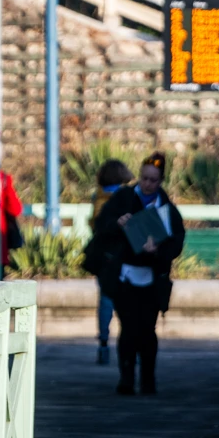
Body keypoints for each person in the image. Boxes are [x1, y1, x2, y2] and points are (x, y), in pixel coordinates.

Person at [92, 151, 185, 395]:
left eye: (153, 180)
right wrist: (117, 224)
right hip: (125, 275)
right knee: (128, 327)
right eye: (144, 178)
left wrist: (158, 250)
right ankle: (126, 378)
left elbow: (176, 242)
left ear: (160, 181)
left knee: (147, 329)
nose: (147, 184)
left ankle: (147, 378)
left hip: (152, 278)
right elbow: (101, 226)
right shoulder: (123, 198)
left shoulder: (166, 208)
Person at [80, 159, 132, 365]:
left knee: (105, 301)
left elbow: (94, 224)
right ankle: (130, 344)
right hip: (123, 256)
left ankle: (103, 343)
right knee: (128, 303)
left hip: (103, 258)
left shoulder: (98, 196)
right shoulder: (125, 196)